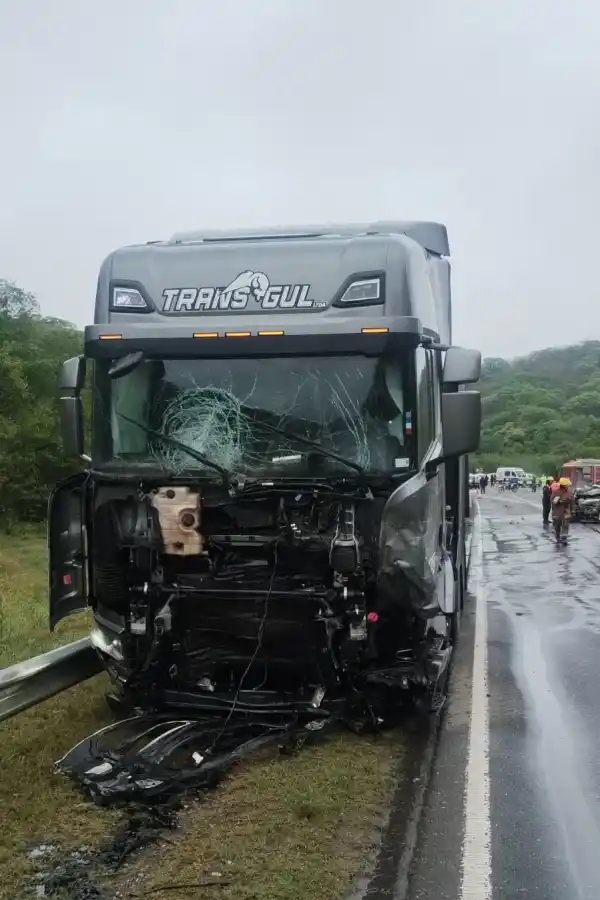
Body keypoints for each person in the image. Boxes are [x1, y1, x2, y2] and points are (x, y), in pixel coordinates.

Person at [552, 477, 573, 544]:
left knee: (566, 524)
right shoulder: (556, 492)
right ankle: (557, 537)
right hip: (558, 511)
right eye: (567, 484)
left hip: (566, 511)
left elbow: (572, 501)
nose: (568, 486)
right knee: (557, 525)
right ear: (563, 485)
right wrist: (560, 501)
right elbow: (553, 501)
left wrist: (572, 510)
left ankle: (564, 537)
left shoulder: (569, 492)